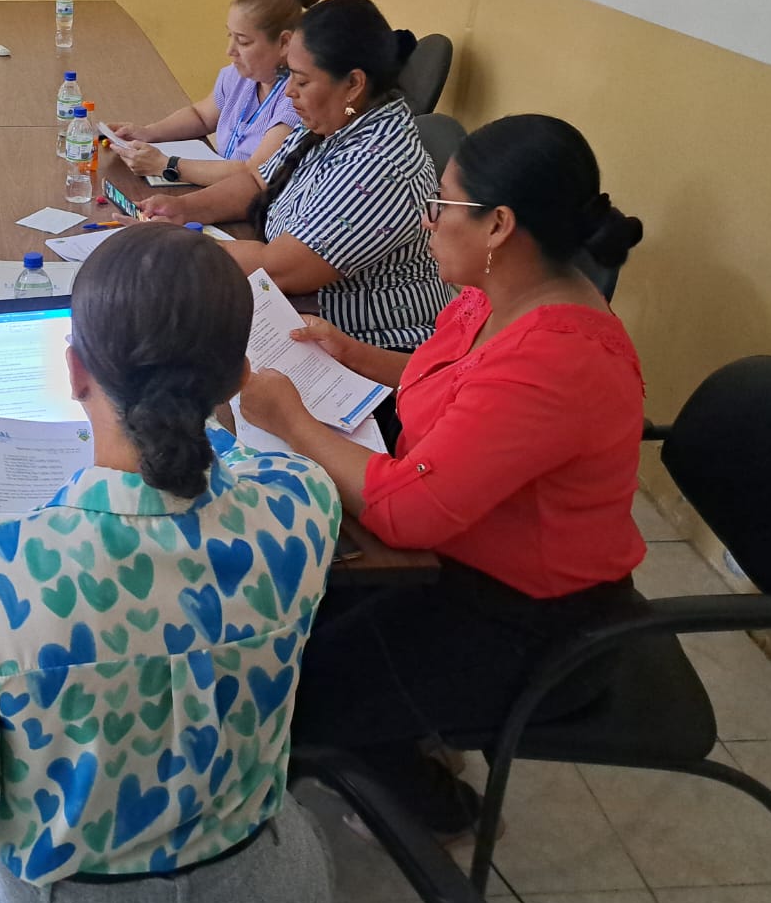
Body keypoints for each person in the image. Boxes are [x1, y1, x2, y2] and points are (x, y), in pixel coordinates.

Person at [0, 226, 341, 903]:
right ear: (240, 378)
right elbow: (237, 458)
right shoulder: (302, 505)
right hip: (263, 881)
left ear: (74, 372)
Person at [239, 114, 646, 837]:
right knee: (285, 617)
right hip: (454, 556)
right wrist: (352, 354)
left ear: (499, 225)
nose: (426, 222)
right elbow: (454, 382)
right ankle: (395, 735)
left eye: (441, 206)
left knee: (290, 689)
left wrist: (294, 422)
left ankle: (434, 808)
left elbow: (408, 514)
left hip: (529, 618)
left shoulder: (556, 359)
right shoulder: (499, 293)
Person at [140, 0, 450, 351]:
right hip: (303, 314)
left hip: (369, 347)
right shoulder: (333, 119)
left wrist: (174, 247)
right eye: (289, 75)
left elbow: (278, 268)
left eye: (301, 81)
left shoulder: (380, 165)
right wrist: (184, 209)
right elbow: (258, 181)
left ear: (353, 84)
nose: (288, 92)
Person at [104, 0, 319, 186]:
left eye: (243, 42)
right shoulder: (238, 76)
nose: (230, 50)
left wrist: (165, 165)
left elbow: (254, 173)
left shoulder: (295, 101)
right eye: (230, 35)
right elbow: (200, 116)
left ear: (284, 43)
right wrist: (148, 132)